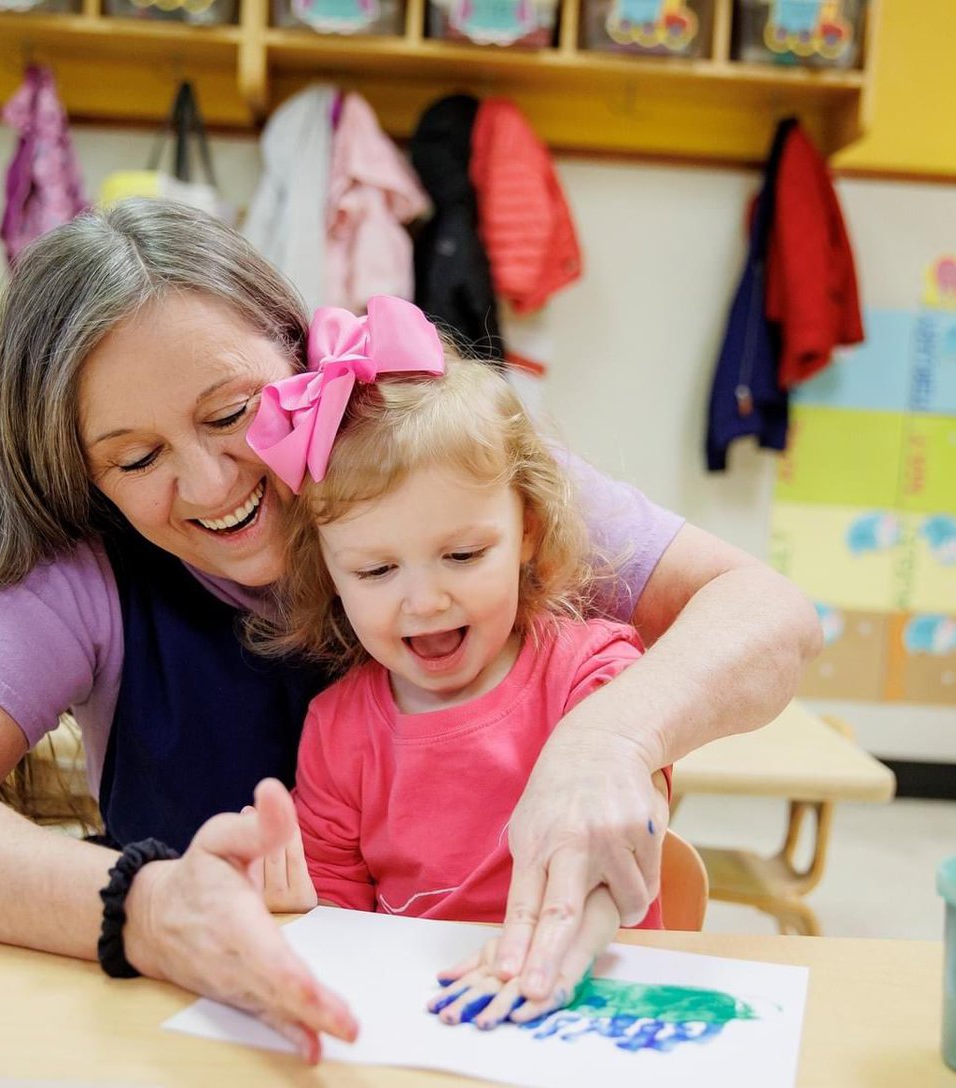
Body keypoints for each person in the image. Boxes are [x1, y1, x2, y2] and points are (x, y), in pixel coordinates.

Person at [0, 200, 820, 1063]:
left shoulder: (444, 462)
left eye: (232, 410)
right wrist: (147, 907)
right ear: (83, 474)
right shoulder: (88, 579)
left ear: (299, 354)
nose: (209, 484)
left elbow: (768, 613)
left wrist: (616, 736)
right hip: (225, 1047)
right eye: (133, 458)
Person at [244, 297, 670, 1032]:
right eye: (376, 571)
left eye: (463, 555)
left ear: (528, 531)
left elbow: (622, 853)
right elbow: (338, 924)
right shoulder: (337, 729)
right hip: (426, 1025)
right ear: (330, 575)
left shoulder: (594, 675)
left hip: (593, 1011)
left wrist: (535, 962)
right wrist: (284, 912)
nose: (424, 600)